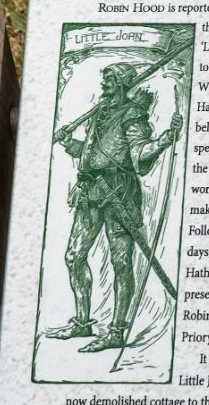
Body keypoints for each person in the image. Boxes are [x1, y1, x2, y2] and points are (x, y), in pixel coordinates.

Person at [43, 63, 183, 352]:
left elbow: (138, 153)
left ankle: (117, 331)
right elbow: (94, 154)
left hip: (119, 194)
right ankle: (82, 323)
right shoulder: (100, 111)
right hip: (90, 191)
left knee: (121, 263)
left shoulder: (133, 115)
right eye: (104, 80)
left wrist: (166, 139)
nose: (104, 85)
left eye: (108, 80)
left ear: (121, 83)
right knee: (74, 256)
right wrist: (71, 144)